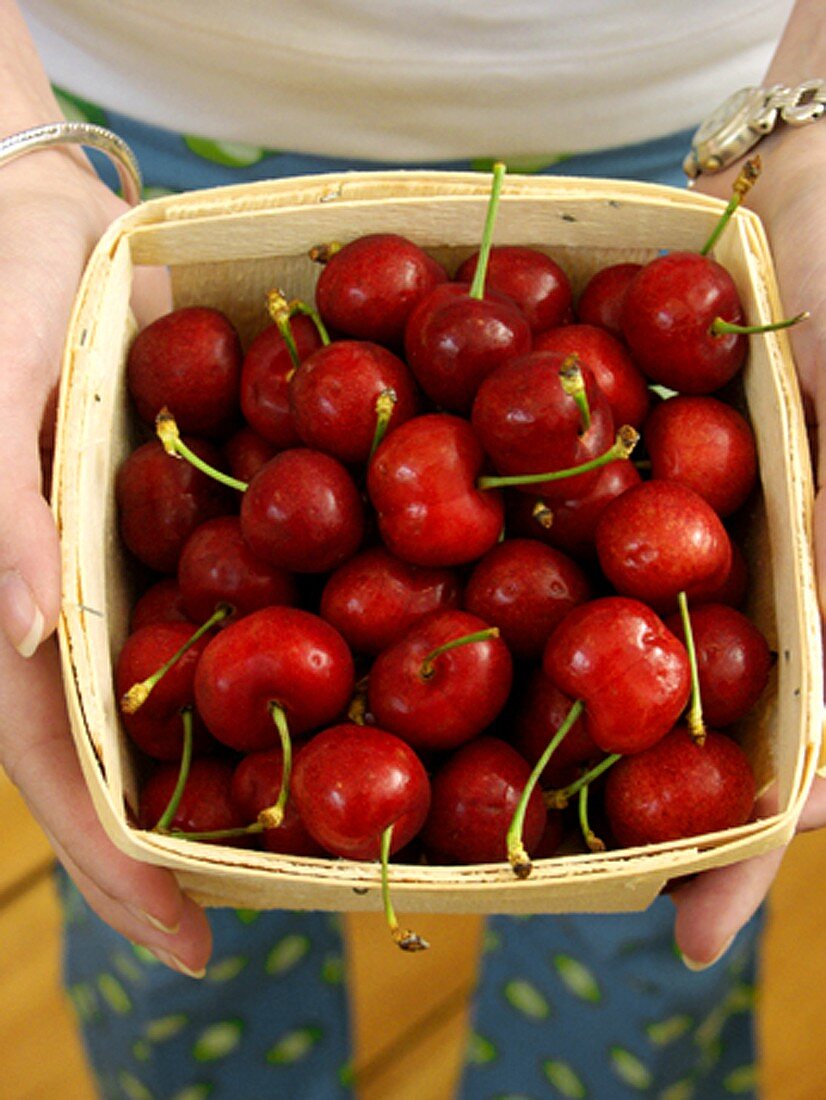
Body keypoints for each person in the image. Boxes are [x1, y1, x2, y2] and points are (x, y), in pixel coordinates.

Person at [1, 0, 825, 1095]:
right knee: (173, 900)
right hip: (123, 157)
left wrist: (810, 142)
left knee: (633, 928)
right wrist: (16, 169)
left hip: (705, 151)